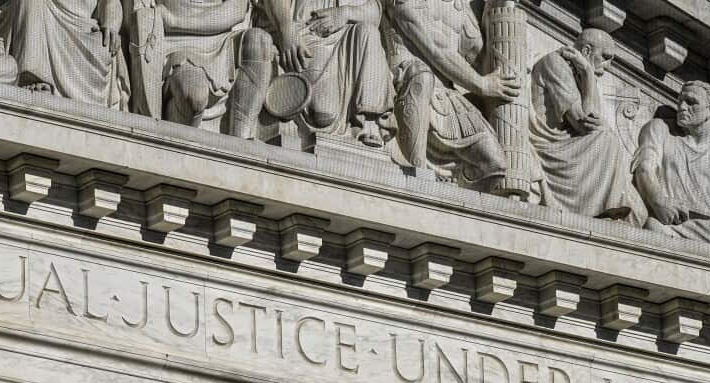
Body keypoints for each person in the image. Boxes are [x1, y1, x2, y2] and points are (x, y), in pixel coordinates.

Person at [381, 0, 521, 187]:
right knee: (422, 77)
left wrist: (498, 9)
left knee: (495, 164)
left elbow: (478, 59)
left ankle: (451, 195)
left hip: (445, 95)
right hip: (405, 81)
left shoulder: (460, 6)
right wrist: (481, 84)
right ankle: (415, 176)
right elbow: (433, 45)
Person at [530, 29, 644, 225]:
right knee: (607, 139)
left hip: (572, 147)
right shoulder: (555, 63)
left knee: (639, 213)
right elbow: (583, 122)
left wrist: (587, 74)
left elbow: (594, 119)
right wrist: (589, 74)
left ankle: (602, 208)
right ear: (587, 50)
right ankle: (600, 211)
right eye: (606, 57)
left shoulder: (580, 72)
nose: (608, 65)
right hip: (550, 145)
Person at [632, 81, 710, 247]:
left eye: (691, 102)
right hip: (668, 220)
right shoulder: (660, 128)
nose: (682, 107)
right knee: (654, 227)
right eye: (680, 102)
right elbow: (644, 168)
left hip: (708, 228)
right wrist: (658, 200)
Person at [129, 0, 275, 139]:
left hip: (222, 40)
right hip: (176, 45)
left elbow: (236, 10)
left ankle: (242, 141)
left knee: (259, 41)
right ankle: (180, 147)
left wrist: (175, 21)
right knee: (195, 97)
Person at [257, 0, 393, 146]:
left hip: (346, 38)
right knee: (323, 114)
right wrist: (286, 30)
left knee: (369, 32)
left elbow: (374, 11)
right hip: (304, 34)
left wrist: (345, 13)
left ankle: (369, 120)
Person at [0, 0, 129, 109]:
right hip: (39, 12)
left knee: (103, 44)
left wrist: (111, 24)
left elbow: (111, 2)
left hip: (82, 27)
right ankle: (33, 76)